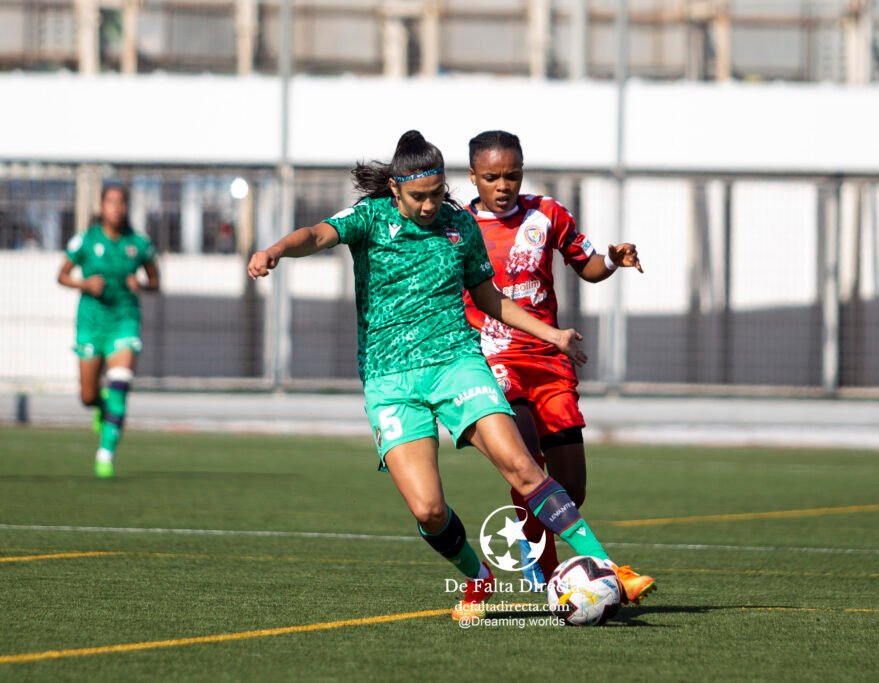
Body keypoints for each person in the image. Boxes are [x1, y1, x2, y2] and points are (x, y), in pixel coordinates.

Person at [247, 131, 654, 619]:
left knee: (524, 467)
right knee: (428, 511)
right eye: (419, 196)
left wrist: (552, 336)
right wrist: (275, 250)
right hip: (390, 381)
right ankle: (479, 578)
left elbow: (489, 298)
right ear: (396, 190)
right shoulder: (369, 218)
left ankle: (608, 568)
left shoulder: (460, 223)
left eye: (437, 193)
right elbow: (314, 235)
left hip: (457, 364)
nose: (429, 205)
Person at [462, 130, 644, 589]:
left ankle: (531, 536)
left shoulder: (547, 214)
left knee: (572, 489)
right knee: (529, 465)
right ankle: (547, 576)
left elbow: (586, 265)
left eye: (512, 175)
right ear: (473, 177)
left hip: (549, 359)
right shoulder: (458, 227)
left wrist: (611, 259)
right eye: (492, 177)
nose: (503, 185)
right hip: (494, 359)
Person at [57, 183, 160, 478]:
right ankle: (100, 408)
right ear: (101, 207)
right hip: (90, 325)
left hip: (125, 321)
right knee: (88, 397)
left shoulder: (138, 243)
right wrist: (84, 284)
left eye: (121, 202)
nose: (116, 207)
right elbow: (61, 275)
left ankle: (106, 453)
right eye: (111, 202)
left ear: (127, 207)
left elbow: (155, 281)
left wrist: (140, 285)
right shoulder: (85, 241)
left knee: (120, 385)